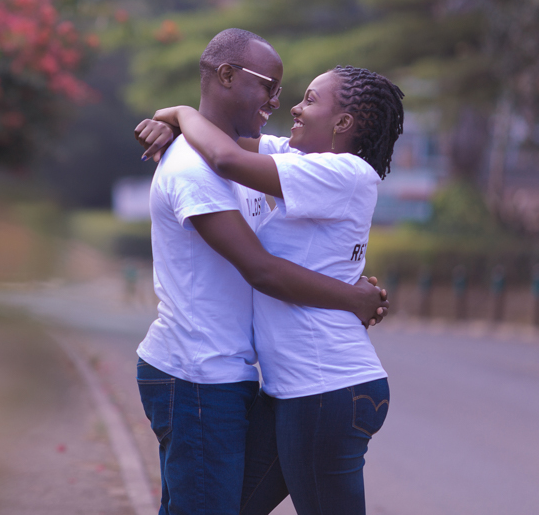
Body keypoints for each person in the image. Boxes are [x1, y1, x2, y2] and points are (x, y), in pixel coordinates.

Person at [130, 29, 388, 515]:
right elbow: (262, 269)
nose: (281, 100)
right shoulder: (202, 164)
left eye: (299, 95)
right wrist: (179, 117)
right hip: (201, 373)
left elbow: (234, 159)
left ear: (344, 122)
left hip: (282, 381)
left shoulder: (297, 164)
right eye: (270, 84)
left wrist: (180, 117)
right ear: (226, 75)